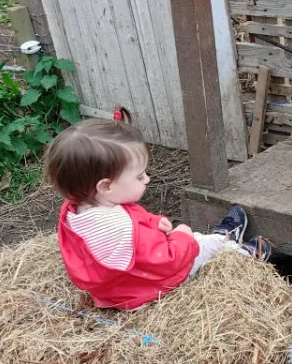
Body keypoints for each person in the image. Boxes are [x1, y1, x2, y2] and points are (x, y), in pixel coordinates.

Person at [43, 108, 272, 310]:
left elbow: (131, 216)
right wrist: (182, 237)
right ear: (106, 186)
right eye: (139, 176)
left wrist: (153, 222)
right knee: (201, 242)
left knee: (194, 238)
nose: (147, 179)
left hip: (117, 289)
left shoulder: (80, 207)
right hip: (147, 286)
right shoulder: (120, 230)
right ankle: (242, 254)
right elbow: (166, 262)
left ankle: (221, 239)